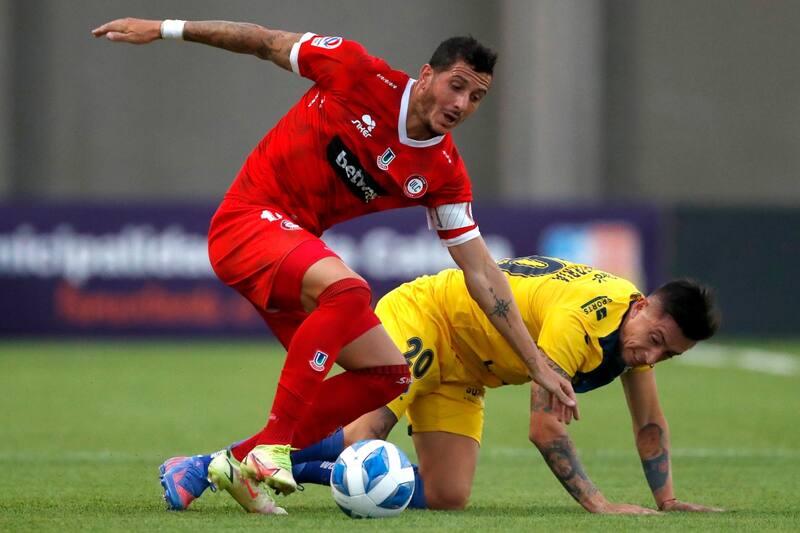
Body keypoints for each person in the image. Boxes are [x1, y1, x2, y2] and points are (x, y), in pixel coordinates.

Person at [92, 18, 577, 514]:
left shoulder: (445, 174)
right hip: (247, 222)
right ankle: (272, 448)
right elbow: (263, 42)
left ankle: (216, 467)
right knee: (348, 289)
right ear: (427, 75)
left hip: (292, 252)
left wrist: (537, 365)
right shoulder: (356, 72)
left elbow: (483, 273)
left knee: (390, 376)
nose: (461, 104)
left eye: (476, 98)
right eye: (456, 86)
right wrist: (166, 28)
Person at [287, 255, 725, 514]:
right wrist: (600, 503)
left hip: (467, 371)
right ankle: (254, 456)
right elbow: (544, 428)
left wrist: (667, 500)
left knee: (447, 494)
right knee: (363, 438)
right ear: (642, 306)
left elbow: (649, 422)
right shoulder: (579, 321)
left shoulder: (632, 334)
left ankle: (283, 468)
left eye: (668, 354)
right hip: (429, 318)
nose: (652, 357)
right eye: (656, 341)